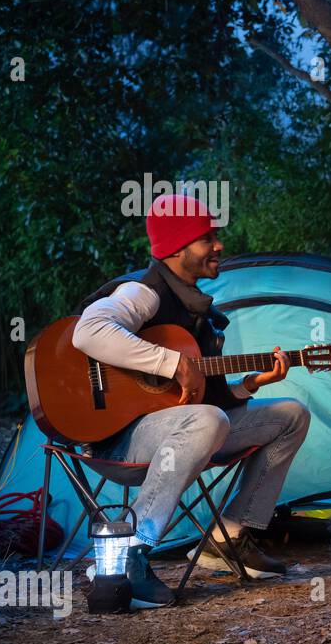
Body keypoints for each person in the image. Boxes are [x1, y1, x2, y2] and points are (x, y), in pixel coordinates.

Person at [72, 194, 311, 608]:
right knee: (207, 421)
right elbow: (87, 331)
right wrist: (169, 362)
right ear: (177, 249)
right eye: (207, 238)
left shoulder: (196, 311)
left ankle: (228, 536)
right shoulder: (144, 294)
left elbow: (207, 396)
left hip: (176, 431)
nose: (219, 246)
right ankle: (130, 551)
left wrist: (252, 383)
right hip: (116, 440)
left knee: (291, 415)